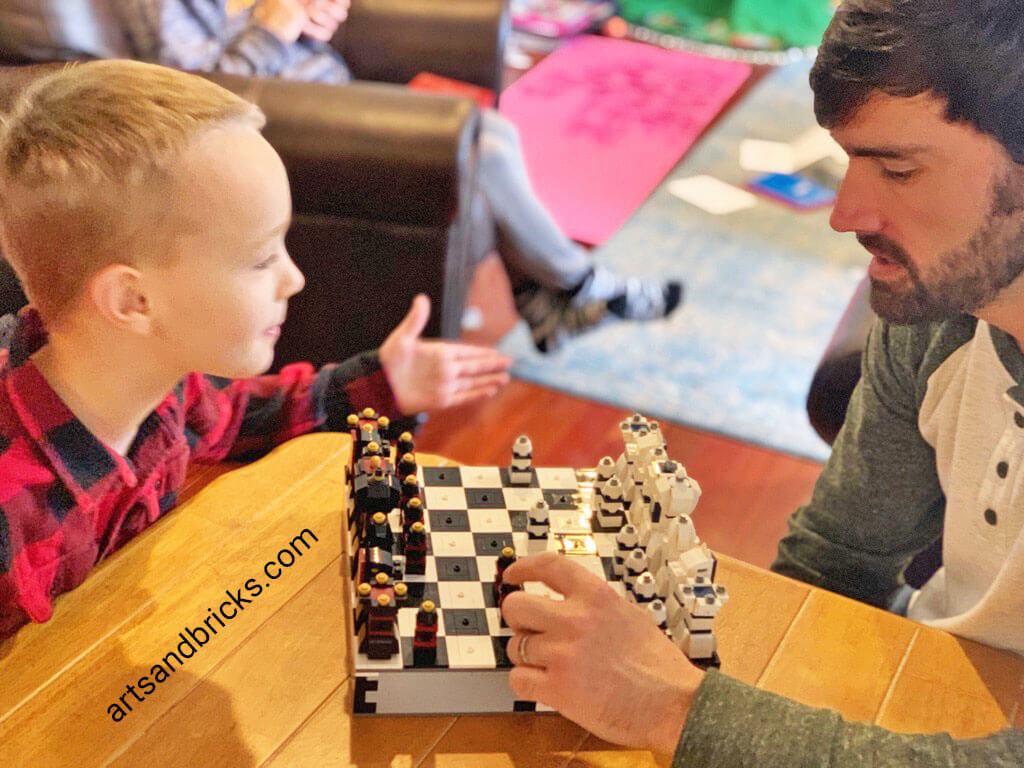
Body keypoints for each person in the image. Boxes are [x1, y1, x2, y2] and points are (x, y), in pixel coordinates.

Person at [500, 1, 1024, 764]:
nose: (847, 214)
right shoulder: (937, 324)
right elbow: (834, 563)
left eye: (900, 168)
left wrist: (675, 710)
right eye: (849, 160)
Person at [0, 59, 513, 640]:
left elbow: (250, 412)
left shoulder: (167, 382)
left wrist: (387, 382)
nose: (293, 279)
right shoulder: (11, 510)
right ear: (134, 301)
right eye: (262, 258)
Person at [102, 0, 684, 353]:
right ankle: (580, 291)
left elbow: (258, 24)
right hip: (283, 122)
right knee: (487, 148)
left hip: (321, 87)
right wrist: (271, 32)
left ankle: (549, 300)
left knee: (490, 141)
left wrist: (305, 18)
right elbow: (190, 96)